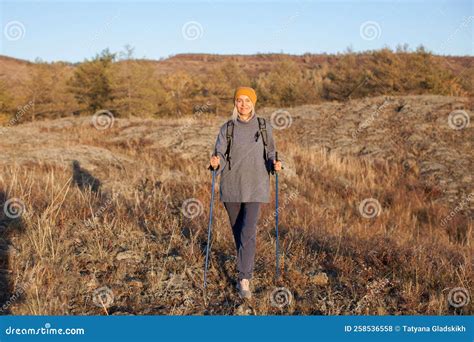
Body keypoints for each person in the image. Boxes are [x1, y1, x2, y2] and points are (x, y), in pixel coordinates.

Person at [209, 86, 282, 299]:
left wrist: (275, 164)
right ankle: (244, 266)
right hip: (231, 186)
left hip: (256, 185)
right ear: (235, 103)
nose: (243, 104)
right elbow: (220, 154)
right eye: (239, 100)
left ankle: (244, 279)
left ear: (254, 103)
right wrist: (215, 162)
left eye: (247, 100)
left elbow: (270, 152)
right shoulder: (227, 128)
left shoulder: (263, 126)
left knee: (248, 231)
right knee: (238, 231)